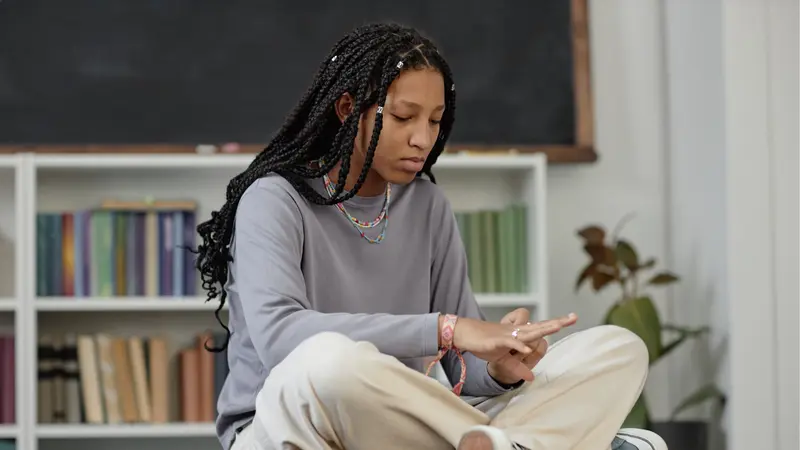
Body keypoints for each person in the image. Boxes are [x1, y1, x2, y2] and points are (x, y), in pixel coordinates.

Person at [194, 22, 668, 450]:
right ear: (346, 110)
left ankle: (505, 444)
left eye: (435, 120)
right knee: (328, 360)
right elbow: (281, 339)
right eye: (403, 117)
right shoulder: (274, 200)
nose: (423, 138)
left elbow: (462, 367)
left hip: (403, 422)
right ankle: (535, 442)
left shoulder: (426, 205)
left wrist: (501, 368)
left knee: (616, 348)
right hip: (291, 419)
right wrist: (445, 328)